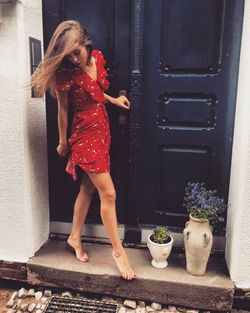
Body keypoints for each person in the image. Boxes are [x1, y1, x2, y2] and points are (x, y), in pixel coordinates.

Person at [30, 20, 136, 280]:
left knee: (88, 188)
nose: (75, 60)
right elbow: (63, 110)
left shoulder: (97, 59)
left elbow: (97, 92)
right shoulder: (65, 74)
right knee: (108, 193)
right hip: (84, 135)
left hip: (102, 131)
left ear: (86, 44)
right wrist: (63, 141)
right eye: (69, 56)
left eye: (77, 52)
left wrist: (114, 100)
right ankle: (119, 253)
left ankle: (74, 237)